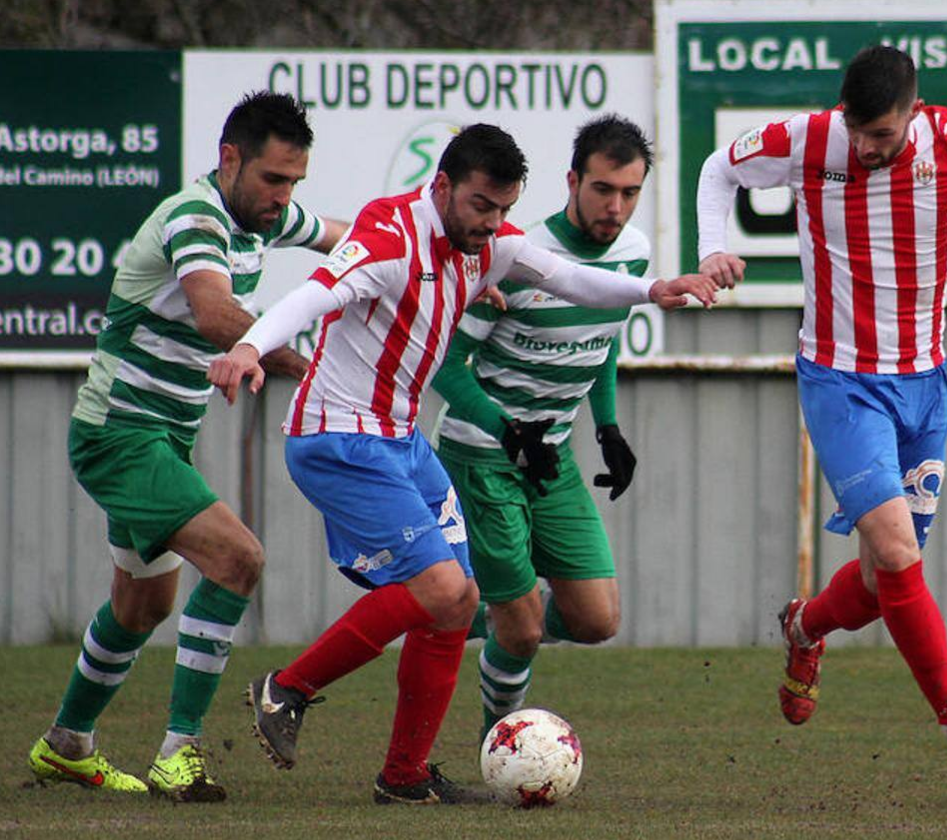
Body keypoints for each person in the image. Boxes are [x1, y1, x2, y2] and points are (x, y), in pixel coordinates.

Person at [207, 123, 717, 805]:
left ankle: (405, 776)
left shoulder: (490, 243)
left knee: (459, 602)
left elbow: (567, 276)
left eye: (505, 209)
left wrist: (654, 290)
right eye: (481, 206)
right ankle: (287, 688)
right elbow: (315, 294)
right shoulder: (390, 235)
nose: (494, 224)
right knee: (445, 590)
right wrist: (248, 345)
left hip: (400, 441)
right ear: (442, 185)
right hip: (338, 438)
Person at [695, 45, 947, 794]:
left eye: (883, 135)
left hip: (925, 386)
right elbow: (719, 168)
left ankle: (805, 626)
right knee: (900, 555)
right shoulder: (812, 138)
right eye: (860, 132)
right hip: (841, 380)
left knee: (887, 582)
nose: (869, 148)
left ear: (913, 111)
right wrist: (712, 249)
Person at [26, 91, 347, 802]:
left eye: (294, 181)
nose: (283, 196)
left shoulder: (264, 214)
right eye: (272, 179)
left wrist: (448, 270)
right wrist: (294, 357)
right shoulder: (194, 217)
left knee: (141, 607)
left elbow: (351, 243)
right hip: (120, 436)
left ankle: (67, 746)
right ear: (230, 158)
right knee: (239, 558)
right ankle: (181, 752)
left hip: (162, 440)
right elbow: (212, 313)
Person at [431, 115, 653, 740]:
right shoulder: (514, 256)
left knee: (596, 619)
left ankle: (475, 613)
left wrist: (607, 427)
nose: (615, 207)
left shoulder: (633, 251)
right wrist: (507, 431)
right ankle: (499, 745)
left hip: (549, 457)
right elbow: (444, 367)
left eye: (629, 193)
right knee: (525, 630)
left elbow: (604, 339)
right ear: (572, 181)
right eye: (603, 189)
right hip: (483, 455)